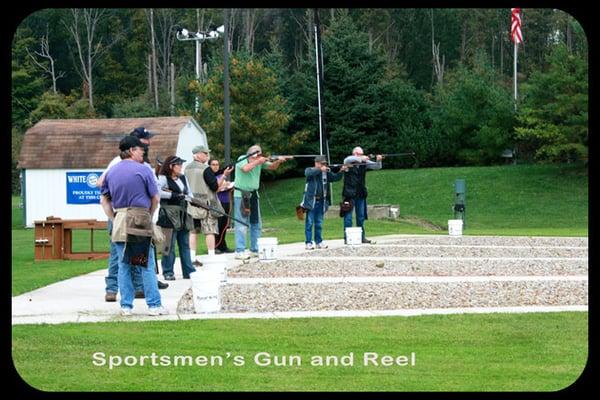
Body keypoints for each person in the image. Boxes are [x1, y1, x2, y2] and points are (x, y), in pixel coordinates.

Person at [96, 126, 167, 303]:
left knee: (123, 263)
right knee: (144, 263)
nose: (145, 148)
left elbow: (104, 198)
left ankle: (127, 302)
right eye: (142, 146)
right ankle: (151, 302)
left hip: (120, 217)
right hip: (139, 218)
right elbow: (155, 198)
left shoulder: (115, 169)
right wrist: (149, 215)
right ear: (132, 149)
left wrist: (114, 216)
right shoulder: (140, 168)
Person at [233, 145, 290, 260]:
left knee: (256, 223)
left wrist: (279, 161)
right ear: (251, 153)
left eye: (260, 153)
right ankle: (240, 250)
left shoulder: (259, 161)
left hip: (254, 195)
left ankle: (254, 249)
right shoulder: (242, 158)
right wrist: (258, 161)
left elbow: (272, 167)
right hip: (241, 195)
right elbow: (245, 169)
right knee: (241, 223)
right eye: (257, 153)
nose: (259, 156)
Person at [184, 146, 233, 263]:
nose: (207, 156)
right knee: (210, 231)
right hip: (206, 204)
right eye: (205, 153)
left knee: (193, 232)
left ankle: (192, 258)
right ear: (198, 154)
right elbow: (215, 187)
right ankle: (211, 257)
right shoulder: (205, 169)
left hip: (191, 204)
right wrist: (224, 175)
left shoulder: (187, 168)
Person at [156, 155, 196, 281]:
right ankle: (168, 271)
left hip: (183, 214)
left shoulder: (183, 178)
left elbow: (189, 194)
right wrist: (173, 195)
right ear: (171, 166)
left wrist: (187, 198)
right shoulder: (162, 178)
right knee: (169, 245)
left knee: (185, 244)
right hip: (168, 215)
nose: (180, 167)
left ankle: (188, 270)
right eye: (178, 165)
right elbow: (158, 193)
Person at [300, 155, 347, 250]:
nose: (324, 165)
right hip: (311, 201)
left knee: (319, 223)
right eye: (322, 164)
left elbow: (335, 178)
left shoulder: (325, 173)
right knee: (309, 223)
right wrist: (320, 169)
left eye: (325, 164)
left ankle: (319, 241)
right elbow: (308, 173)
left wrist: (341, 171)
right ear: (316, 163)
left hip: (321, 201)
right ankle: (308, 242)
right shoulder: (310, 170)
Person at [341, 146, 382, 244]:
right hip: (348, 194)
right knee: (348, 217)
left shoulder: (364, 163)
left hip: (360, 194)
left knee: (361, 217)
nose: (362, 156)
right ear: (354, 154)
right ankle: (347, 238)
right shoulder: (348, 161)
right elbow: (348, 159)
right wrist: (361, 158)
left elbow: (377, 166)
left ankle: (362, 237)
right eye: (360, 154)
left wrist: (379, 160)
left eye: (362, 154)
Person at [209, 158, 235, 254]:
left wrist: (229, 186)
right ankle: (215, 246)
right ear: (209, 166)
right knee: (217, 225)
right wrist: (222, 187)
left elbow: (224, 186)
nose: (216, 166)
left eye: (217, 164)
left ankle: (223, 245)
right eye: (213, 164)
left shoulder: (222, 176)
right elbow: (213, 189)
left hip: (226, 201)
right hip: (217, 202)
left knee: (224, 224)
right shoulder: (210, 177)